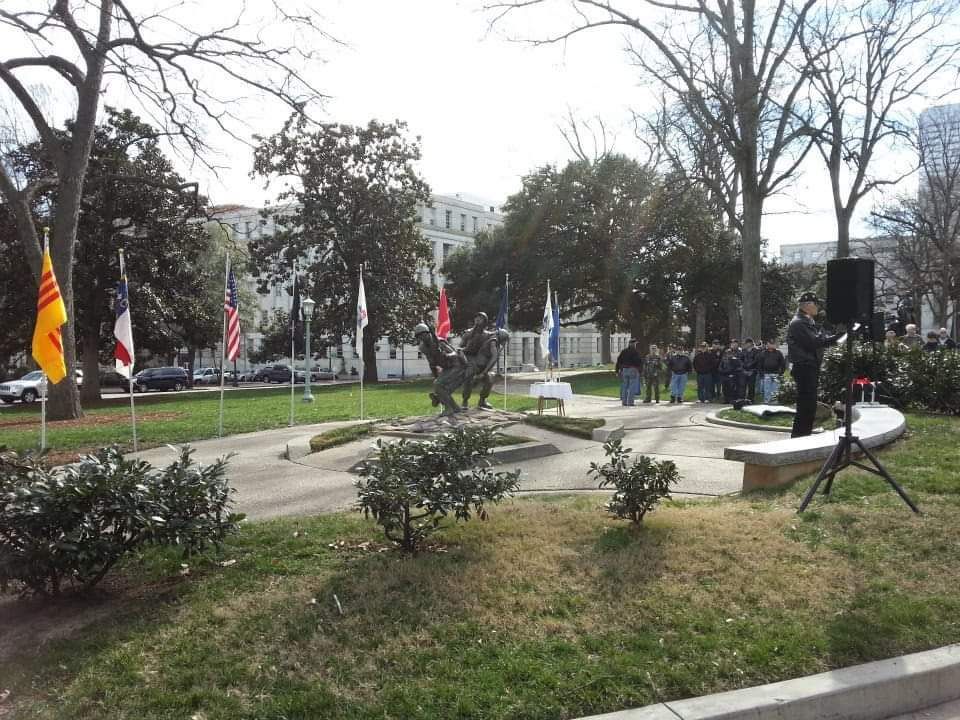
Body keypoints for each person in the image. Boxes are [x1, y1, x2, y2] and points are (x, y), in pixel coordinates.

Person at [787, 292, 841, 438]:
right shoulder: (798, 322)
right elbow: (814, 342)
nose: (818, 307)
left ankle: (803, 436)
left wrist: (833, 337)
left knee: (809, 406)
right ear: (808, 305)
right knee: (806, 406)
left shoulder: (807, 321)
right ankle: (799, 438)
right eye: (816, 304)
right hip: (804, 366)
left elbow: (819, 339)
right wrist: (835, 336)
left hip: (810, 366)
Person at [414, 323, 468, 416]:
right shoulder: (423, 347)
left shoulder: (439, 342)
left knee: (438, 385)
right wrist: (436, 376)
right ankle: (455, 408)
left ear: (428, 333)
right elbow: (432, 363)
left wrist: (447, 355)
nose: (422, 338)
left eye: (423, 335)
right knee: (439, 386)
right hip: (447, 368)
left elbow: (454, 353)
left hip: (456, 365)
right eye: (419, 336)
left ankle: (448, 408)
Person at [615, 339, 644, 406]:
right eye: (635, 344)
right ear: (633, 344)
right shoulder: (635, 352)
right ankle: (630, 402)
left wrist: (617, 370)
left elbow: (619, 361)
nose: (635, 345)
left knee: (625, 386)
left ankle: (624, 402)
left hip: (624, 369)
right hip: (632, 369)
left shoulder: (624, 351)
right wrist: (640, 369)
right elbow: (638, 361)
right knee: (632, 386)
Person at [758, 339, 787, 404]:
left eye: (772, 344)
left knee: (775, 388)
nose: (771, 345)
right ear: (767, 344)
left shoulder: (779, 353)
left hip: (776, 373)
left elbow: (783, 364)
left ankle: (774, 401)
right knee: (766, 388)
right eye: (769, 344)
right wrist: (761, 373)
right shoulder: (763, 353)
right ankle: (767, 401)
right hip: (766, 373)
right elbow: (760, 364)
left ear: (774, 345)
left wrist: (781, 373)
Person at [741, 338, 760, 403]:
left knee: (751, 386)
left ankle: (751, 400)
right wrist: (744, 369)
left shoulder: (756, 350)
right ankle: (742, 399)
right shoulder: (743, 351)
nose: (746, 344)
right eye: (745, 343)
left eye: (747, 343)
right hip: (744, 371)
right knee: (743, 386)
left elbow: (756, 360)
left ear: (750, 343)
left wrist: (750, 368)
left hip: (752, 371)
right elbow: (740, 360)